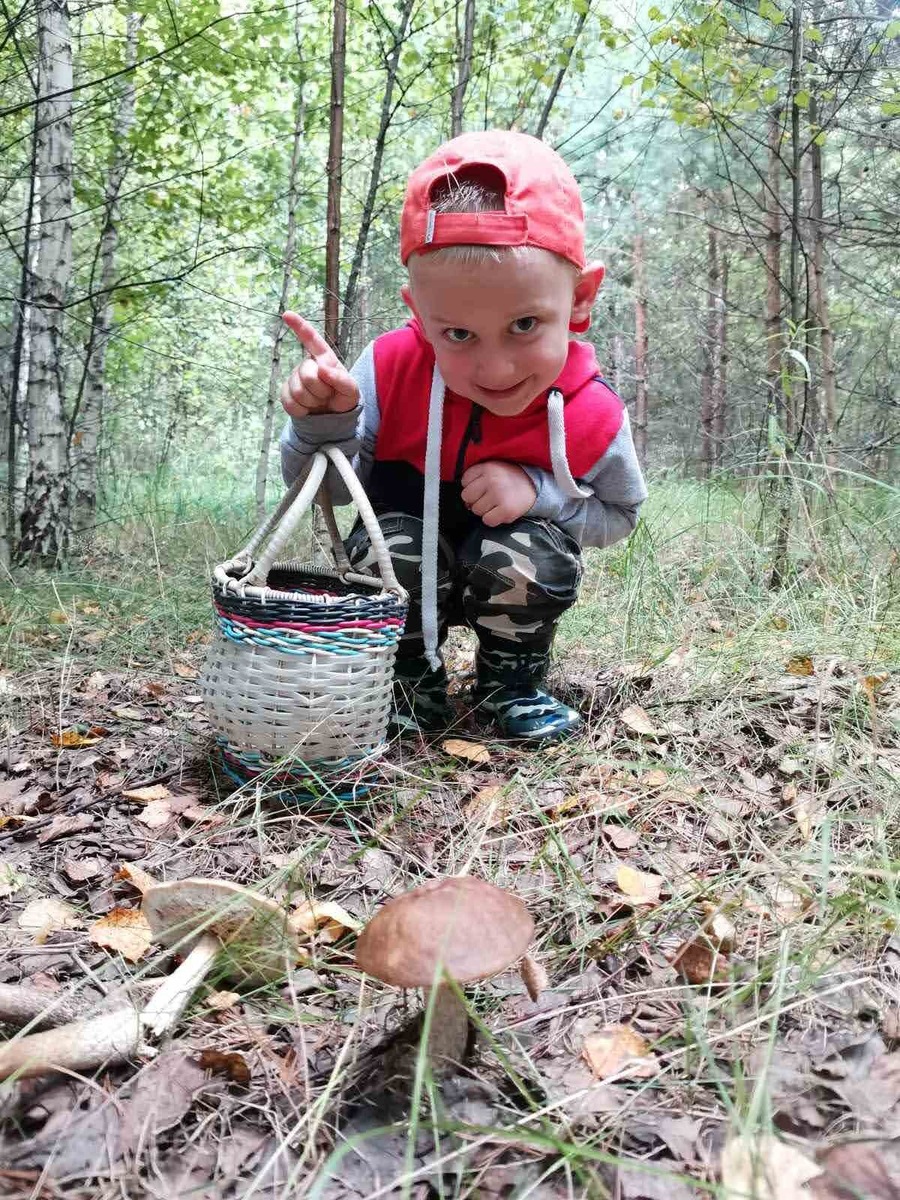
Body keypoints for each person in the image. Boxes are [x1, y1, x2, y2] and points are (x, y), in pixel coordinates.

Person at [279, 130, 647, 742]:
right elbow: (329, 494)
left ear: (580, 300)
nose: (496, 369)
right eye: (457, 335)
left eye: (524, 324)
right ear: (418, 314)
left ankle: (511, 685)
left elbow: (621, 514)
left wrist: (538, 493)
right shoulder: (388, 371)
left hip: (507, 581)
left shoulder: (591, 412)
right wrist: (324, 426)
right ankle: (406, 681)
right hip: (408, 574)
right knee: (389, 543)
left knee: (534, 550)